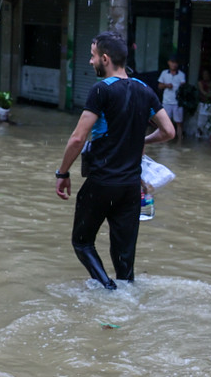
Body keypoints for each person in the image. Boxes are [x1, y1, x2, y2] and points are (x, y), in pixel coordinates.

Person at [54, 31, 175, 290]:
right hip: (131, 188)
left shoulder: (100, 90)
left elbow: (77, 139)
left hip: (101, 184)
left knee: (83, 242)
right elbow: (169, 131)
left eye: (93, 56)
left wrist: (62, 173)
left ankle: (107, 289)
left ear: (105, 59)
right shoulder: (145, 90)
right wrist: (143, 140)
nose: (90, 61)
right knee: (124, 259)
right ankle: (124, 294)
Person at [158, 55, 186, 142]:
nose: (174, 64)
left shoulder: (181, 74)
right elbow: (159, 86)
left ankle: (179, 141)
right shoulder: (164, 73)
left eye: (175, 63)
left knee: (179, 123)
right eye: (172, 62)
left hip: (177, 102)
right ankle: (164, 141)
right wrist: (166, 85)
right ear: (169, 63)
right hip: (166, 102)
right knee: (164, 123)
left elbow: (184, 87)